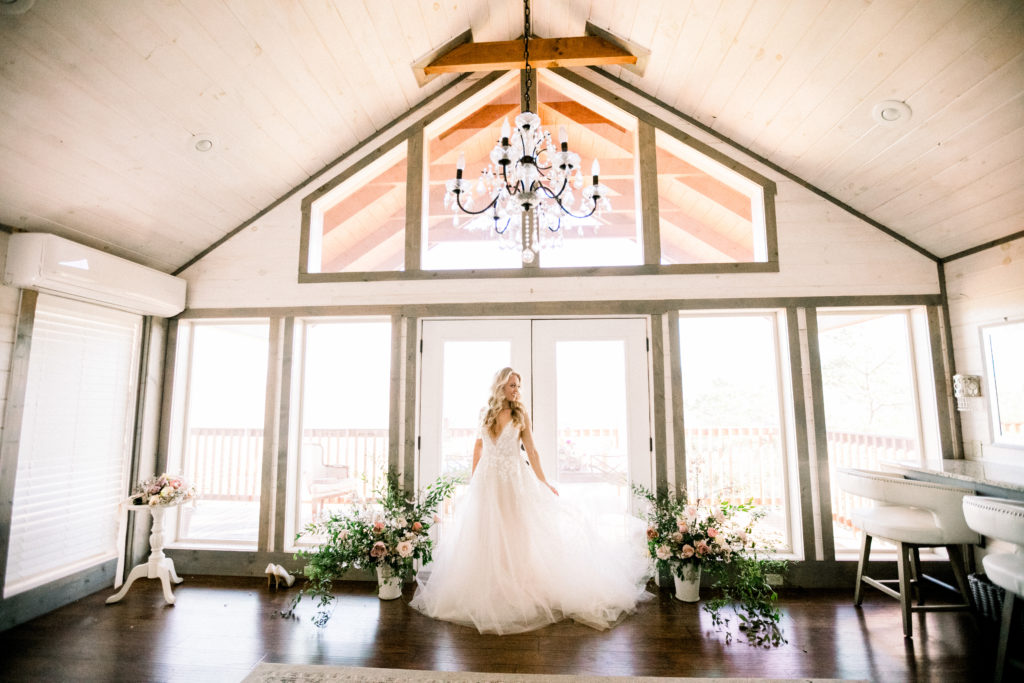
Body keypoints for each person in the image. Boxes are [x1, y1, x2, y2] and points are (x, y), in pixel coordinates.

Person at [409, 367, 652, 635]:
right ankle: (490, 587)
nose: (516, 390)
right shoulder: (485, 413)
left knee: (516, 532)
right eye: (512, 385)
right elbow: (478, 447)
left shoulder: (520, 414)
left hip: (514, 480)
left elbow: (532, 451)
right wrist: (473, 479)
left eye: (518, 385)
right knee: (485, 533)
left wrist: (544, 481)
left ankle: (516, 584)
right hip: (487, 482)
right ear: (500, 386)